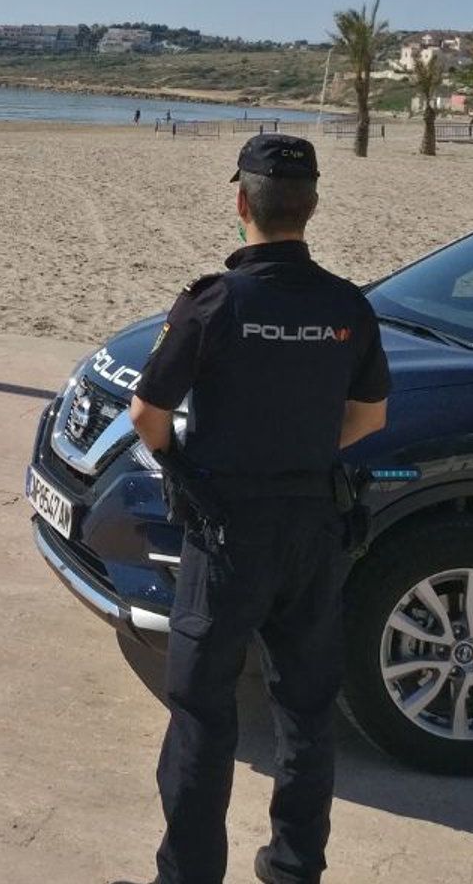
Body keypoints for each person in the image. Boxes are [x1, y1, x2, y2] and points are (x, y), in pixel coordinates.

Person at [119, 133, 389, 884]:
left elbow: (147, 412)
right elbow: (370, 419)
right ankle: (295, 867)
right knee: (305, 707)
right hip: (312, 527)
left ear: (242, 202)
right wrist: (303, 450)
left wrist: (181, 466)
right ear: (312, 208)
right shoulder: (346, 305)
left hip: (228, 532)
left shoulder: (215, 301)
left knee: (203, 711)